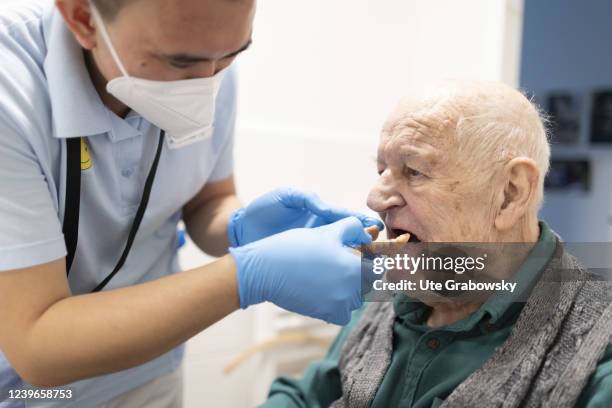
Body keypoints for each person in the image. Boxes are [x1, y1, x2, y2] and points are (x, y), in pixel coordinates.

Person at [0, 0, 383, 406]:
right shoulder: (12, 95)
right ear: (81, 18)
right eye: (180, 64)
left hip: (148, 372)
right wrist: (248, 274)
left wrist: (238, 227)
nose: (206, 84)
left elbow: (207, 200)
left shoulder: (208, 59)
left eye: (231, 56)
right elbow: (37, 346)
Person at [262, 81, 612, 408]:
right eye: (382, 170)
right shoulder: (387, 293)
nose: (375, 199)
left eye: (413, 171)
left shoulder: (600, 349)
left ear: (510, 194)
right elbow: (310, 396)